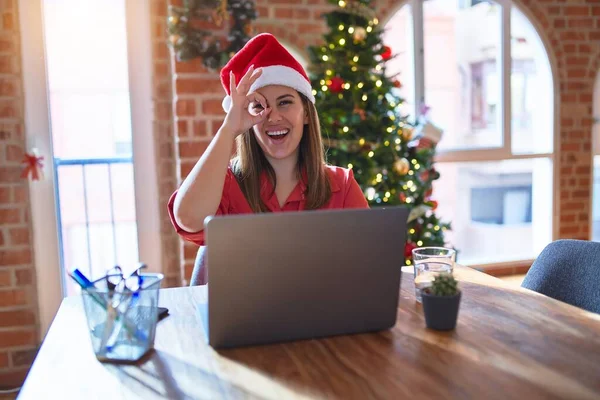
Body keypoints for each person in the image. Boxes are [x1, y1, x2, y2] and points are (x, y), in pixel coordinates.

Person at [168, 33, 369, 284]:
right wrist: (229, 128)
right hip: (245, 320)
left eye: (284, 103)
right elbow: (188, 219)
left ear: (306, 113)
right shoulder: (227, 184)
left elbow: (367, 267)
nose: (273, 117)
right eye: (259, 107)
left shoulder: (342, 185)